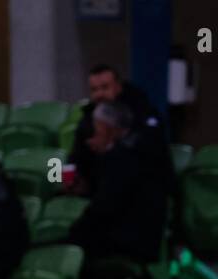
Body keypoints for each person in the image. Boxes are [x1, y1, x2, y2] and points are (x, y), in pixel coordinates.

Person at [67, 100, 170, 266]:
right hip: (128, 230)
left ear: (108, 129)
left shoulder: (125, 157)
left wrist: (74, 231)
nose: (92, 136)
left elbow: (106, 207)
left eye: (97, 129)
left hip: (130, 236)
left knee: (71, 243)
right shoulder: (121, 153)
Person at [66, 63, 167, 198]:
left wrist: (108, 148)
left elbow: (149, 151)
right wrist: (70, 179)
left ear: (118, 86)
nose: (99, 94)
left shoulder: (142, 111)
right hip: (98, 189)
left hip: (137, 191)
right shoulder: (88, 118)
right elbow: (75, 156)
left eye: (105, 87)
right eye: (94, 90)